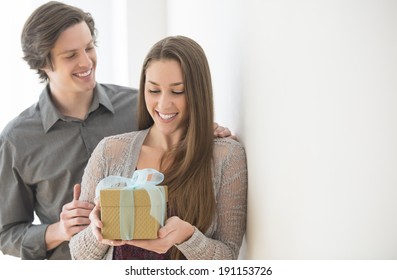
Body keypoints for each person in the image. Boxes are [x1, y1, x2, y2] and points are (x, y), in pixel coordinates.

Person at [0, 1, 231, 260]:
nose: (87, 61)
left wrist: (201, 129)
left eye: (89, 47)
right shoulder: (17, 139)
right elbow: (5, 233)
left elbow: (175, 131)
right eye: (71, 55)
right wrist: (58, 230)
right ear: (43, 63)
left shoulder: (138, 105)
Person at [69, 35, 248, 260]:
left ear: (198, 92)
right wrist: (97, 232)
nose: (163, 104)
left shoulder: (226, 156)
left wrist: (187, 237)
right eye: (154, 91)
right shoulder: (109, 152)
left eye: (178, 91)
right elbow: (78, 255)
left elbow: (228, 257)